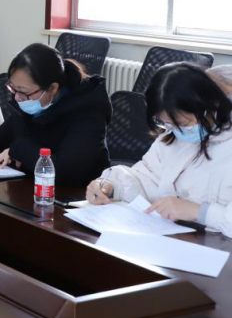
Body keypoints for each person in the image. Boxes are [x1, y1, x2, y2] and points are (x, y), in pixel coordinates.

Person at [86, 63, 232, 236]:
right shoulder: (173, 136)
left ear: (208, 107)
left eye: (183, 124)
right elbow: (147, 177)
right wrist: (111, 185)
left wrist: (200, 212)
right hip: (175, 236)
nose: (177, 131)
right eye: (167, 124)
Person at [0, 43, 111, 186]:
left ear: (52, 88)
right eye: (13, 88)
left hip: (77, 198)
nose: (17, 98)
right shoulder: (29, 102)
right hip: (28, 188)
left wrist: (17, 150)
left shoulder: (88, 111)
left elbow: (64, 171)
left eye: (23, 92)